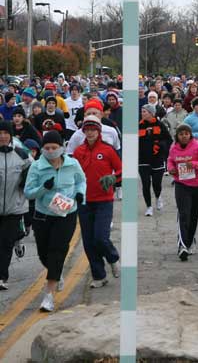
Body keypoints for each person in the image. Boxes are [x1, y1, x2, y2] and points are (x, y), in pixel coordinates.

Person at [24, 130, 86, 312]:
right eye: (47, 148)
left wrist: (80, 194)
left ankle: (48, 296)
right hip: (43, 215)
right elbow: (28, 192)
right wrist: (44, 188)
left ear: (62, 147)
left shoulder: (72, 164)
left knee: (57, 250)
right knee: (44, 253)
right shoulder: (36, 166)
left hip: (67, 214)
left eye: (54, 147)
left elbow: (81, 181)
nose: (50, 151)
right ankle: (56, 273)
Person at [72, 116, 121, 287]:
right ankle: (99, 276)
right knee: (88, 241)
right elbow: (72, 174)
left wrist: (112, 177)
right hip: (84, 201)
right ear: (83, 131)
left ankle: (113, 258)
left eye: (93, 129)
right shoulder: (78, 151)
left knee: (100, 237)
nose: (90, 132)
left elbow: (121, 170)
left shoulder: (108, 150)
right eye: (87, 129)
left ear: (99, 131)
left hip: (104, 200)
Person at [167, 123, 198, 260]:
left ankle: (189, 240)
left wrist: (194, 165)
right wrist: (171, 168)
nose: (184, 136)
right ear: (177, 136)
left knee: (194, 215)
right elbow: (170, 160)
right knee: (183, 214)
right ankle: (182, 245)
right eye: (181, 134)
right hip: (181, 185)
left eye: (186, 133)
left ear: (190, 135)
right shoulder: (174, 148)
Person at [0, 121, 33, 291]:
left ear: (11, 135)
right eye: (0, 133)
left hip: (14, 207)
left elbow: (35, 172)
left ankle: (1, 277)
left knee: (6, 243)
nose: (3, 136)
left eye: (6, 133)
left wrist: (27, 181)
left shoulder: (22, 155)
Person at [138, 104, 171, 217]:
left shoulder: (160, 125)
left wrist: (161, 146)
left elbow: (168, 140)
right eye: (142, 111)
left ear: (151, 113)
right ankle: (148, 206)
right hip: (143, 160)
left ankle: (158, 197)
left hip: (157, 159)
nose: (142, 113)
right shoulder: (138, 126)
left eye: (145, 111)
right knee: (145, 184)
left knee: (157, 183)